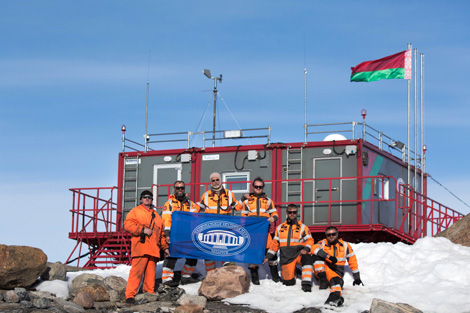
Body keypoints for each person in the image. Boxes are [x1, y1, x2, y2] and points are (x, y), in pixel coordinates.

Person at [123, 190, 169, 304]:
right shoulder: (135, 211)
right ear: (141, 199)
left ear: (152, 200)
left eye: (149, 197)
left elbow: (161, 235)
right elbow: (127, 225)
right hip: (140, 248)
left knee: (150, 276)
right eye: (145, 197)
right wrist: (142, 230)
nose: (147, 199)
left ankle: (149, 294)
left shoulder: (158, 217)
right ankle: (130, 296)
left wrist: (165, 248)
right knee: (136, 273)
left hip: (153, 251)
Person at [263, 204, 314, 292]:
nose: (292, 214)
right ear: (287, 213)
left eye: (294, 212)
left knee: (308, 259)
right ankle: (294, 271)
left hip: (299, 255)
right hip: (286, 258)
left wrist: (306, 249)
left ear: (297, 213)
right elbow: (275, 244)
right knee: (289, 283)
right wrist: (268, 256)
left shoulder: (303, 227)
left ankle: (306, 283)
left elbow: (310, 240)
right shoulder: (279, 228)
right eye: (290, 212)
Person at [198, 172, 241, 272]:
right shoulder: (206, 195)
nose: (215, 182)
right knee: (208, 253)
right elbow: (197, 208)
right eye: (213, 180)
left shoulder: (229, 194)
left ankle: (228, 275)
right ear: (210, 182)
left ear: (220, 180)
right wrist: (184, 213)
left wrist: (244, 199)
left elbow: (238, 207)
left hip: (225, 228)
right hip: (210, 228)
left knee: (225, 251)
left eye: (217, 180)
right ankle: (210, 275)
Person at [240, 177, 281, 284]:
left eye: (260, 187)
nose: (258, 188)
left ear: (263, 188)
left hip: (265, 231)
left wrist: (273, 218)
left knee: (271, 253)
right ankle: (255, 277)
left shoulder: (268, 201)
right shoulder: (247, 201)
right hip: (253, 232)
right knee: (252, 254)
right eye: (256, 186)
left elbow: (275, 214)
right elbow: (243, 216)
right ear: (253, 187)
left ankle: (275, 276)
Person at [161, 181, 201, 287]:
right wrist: (167, 234)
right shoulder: (169, 203)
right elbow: (166, 219)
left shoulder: (190, 204)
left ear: (184, 189)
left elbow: (196, 216)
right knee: (171, 256)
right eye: (178, 188)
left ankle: (186, 277)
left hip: (187, 234)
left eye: (182, 188)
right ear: (174, 189)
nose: (180, 190)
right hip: (174, 234)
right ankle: (167, 280)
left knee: (192, 255)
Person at [311, 226, 364, 307]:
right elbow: (313, 248)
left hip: (336, 272)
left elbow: (353, 261)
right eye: (328, 235)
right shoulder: (322, 243)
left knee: (337, 283)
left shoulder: (345, 245)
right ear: (326, 235)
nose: (331, 236)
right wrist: (328, 256)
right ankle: (324, 281)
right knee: (316, 256)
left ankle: (333, 299)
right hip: (323, 271)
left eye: (333, 234)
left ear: (337, 234)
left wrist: (357, 278)